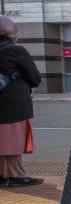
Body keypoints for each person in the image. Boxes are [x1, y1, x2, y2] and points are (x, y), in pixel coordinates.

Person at [0, 15, 43, 187]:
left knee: (2, 140)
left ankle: (2, 174)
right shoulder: (16, 51)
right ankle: (17, 176)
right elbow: (34, 78)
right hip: (13, 105)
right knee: (13, 141)